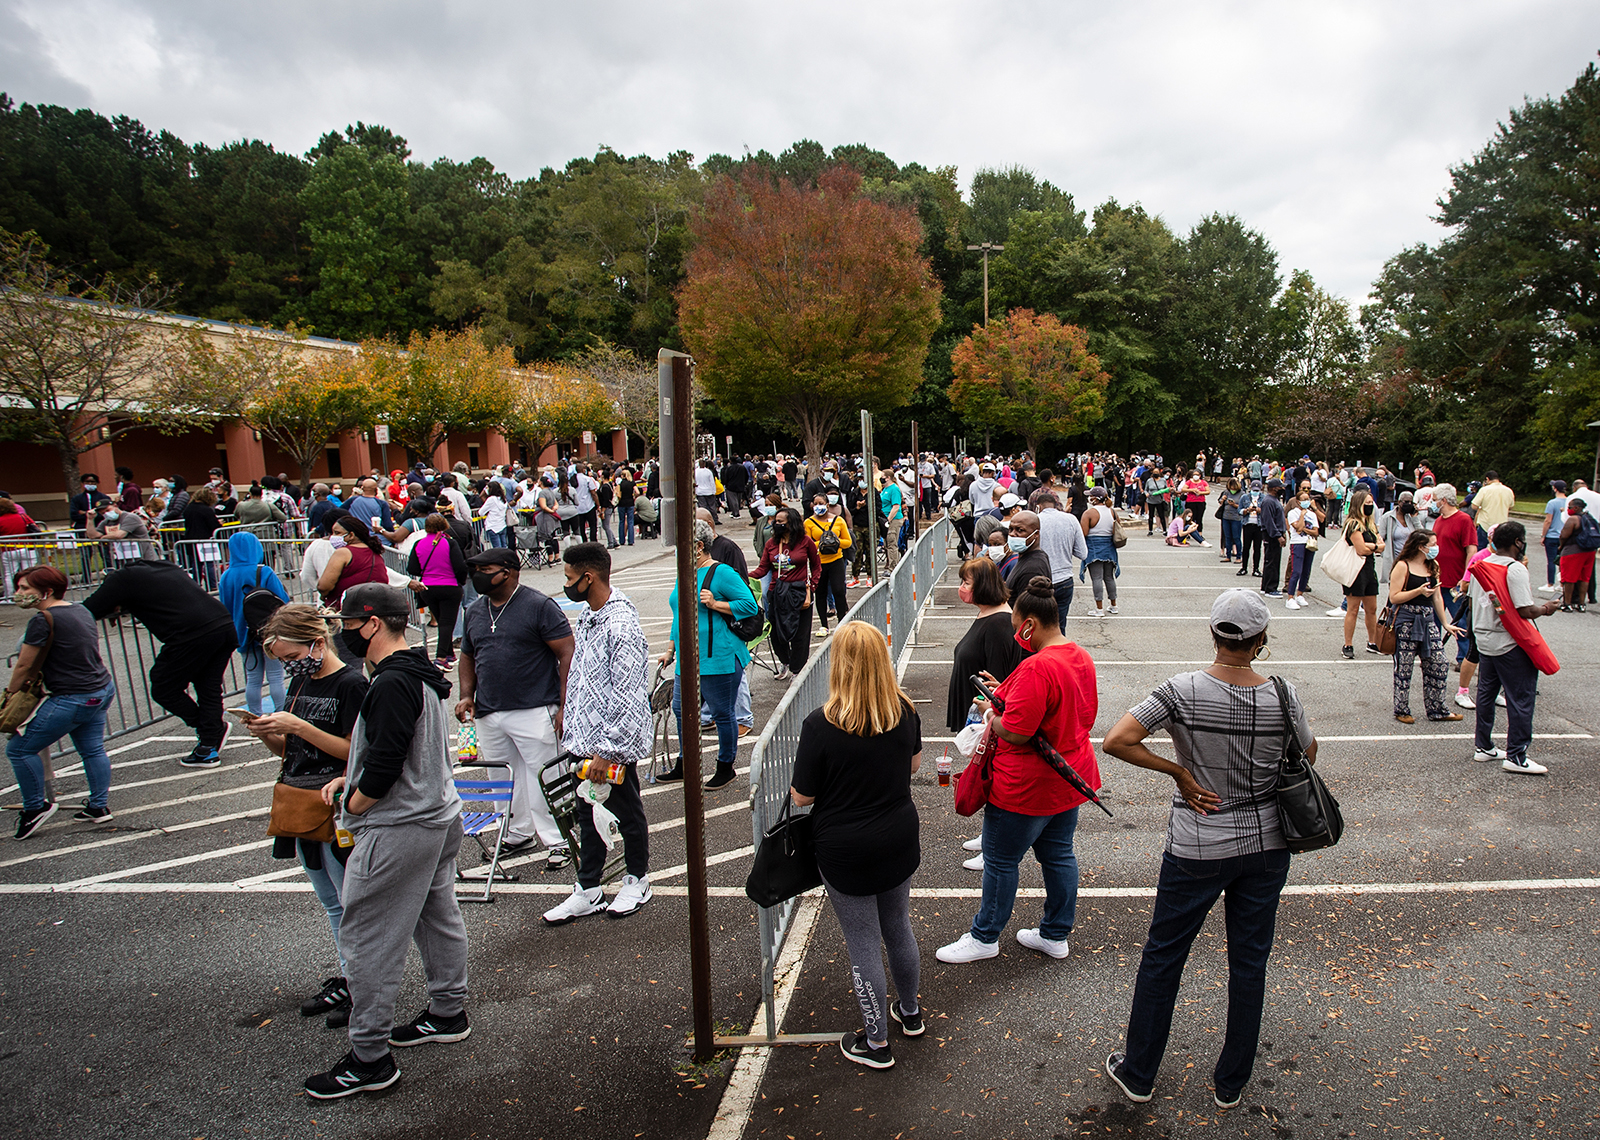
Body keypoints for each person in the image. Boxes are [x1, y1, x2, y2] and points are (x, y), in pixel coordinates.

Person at [1101, 589, 1315, 1110]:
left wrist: (1178, 769)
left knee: (1164, 956)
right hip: (1267, 843)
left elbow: (1116, 741)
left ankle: (1140, 1071)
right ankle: (1231, 1083)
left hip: (1197, 843)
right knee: (1249, 961)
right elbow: (1306, 753)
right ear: (1260, 640)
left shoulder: (1181, 690)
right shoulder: (1282, 695)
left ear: (1214, 633)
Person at [302, 585, 470, 1100]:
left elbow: (386, 763)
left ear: (372, 624)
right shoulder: (420, 672)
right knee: (436, 914)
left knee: (368, 938)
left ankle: (370, 1058)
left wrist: (354, 803)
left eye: (347, 624)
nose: (341, 633)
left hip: (401, 826)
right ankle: (448, 1010)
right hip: (437, 815)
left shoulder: (392, 682)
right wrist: (353, 782)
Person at [936, 577, 1098, 965]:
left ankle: (984, 935)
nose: (1015, 635)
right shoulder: (1079, 655)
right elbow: (1077, 714)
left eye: (1016, 628)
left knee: (1001, 860)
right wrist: (1005, 690)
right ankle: (1055, 933)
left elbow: (1018, 732)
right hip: (1069, 776)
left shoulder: (1037, 667)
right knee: (1059, 855)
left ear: (1028, 624)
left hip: (1027, 786)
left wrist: (993, 715)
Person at [791, 621, 924, 1069]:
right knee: (898, 925)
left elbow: (803, 796)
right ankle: (910, 1014)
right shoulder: (904, 710)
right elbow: (914, 765)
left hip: (845, 845)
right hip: (898, 836)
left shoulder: (820, 725)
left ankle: (876, 1043)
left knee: (863, 939)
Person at [249, 604, 370, 1028]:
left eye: (292, 657)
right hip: (299, 801)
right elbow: (290, 753)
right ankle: (350, 976)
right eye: (282, 661)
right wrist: (272, 735)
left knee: (350, 902)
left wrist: (299, 728)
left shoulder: (351, 684)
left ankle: (363, 986)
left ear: (317, 643)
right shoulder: (301, 684)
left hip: (335, 807)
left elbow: (357, 752)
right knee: (331, 902)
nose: (289, 666)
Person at [542, 543, 655, 924]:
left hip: (609, 746)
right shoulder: (591, 617)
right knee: (586, 810)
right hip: (584, 739)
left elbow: (627, 693)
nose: (566, 585)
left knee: (625, 810)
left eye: (570, 578)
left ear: (589, 578)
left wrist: (608, 750)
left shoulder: (620, 625)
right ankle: (588, 887)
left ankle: (637, 878)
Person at [455, 548, 574, 866]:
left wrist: (564, 703)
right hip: (489, 710)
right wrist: (467, 694)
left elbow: (567, 653)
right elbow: (467, 655)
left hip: (535, 707)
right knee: (502, 778)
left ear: (508, 571)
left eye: (485, 568)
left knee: (544, 775)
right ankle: (516, 834)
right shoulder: (475, 611)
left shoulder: (538, 605)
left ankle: (559, 839)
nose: (478, 574)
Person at [83, 557, 236, 768]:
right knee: (208, 685)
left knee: (164, 686)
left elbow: (87, 610)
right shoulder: (164, 566)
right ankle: (208, 745)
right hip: (222, 624)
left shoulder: (120, 579)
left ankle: (209, 730)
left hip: (191, 634)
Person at [5, 566, 116, 837]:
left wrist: (9, 697)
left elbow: (23, 666)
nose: (18, 594)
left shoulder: (42, 620)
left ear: (47, 591)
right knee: (91, 749)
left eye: (25, 589)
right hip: (100, 689)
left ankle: (35, 808)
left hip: (74, 696)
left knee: (19, 750)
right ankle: (98, 806)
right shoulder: (80, 610)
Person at [660, 520, 759, 789]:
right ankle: (685, 763)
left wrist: (716, 603)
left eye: (683, 546)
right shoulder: (685, 573)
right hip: (688, 660)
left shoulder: (721, 572)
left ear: (699, 546)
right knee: (681, 710)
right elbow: (678, 613)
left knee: (722, 713)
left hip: (720, 658)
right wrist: (670, 649)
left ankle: (725, 766)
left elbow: (749, 605)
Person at [1470, 522, 1561, 775]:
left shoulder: (1481, 566)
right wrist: (1546, 609)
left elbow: (1473, 603)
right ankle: (1517, 754)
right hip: (1510, 642)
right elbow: (1524, 610)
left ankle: (1484, 746)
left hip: (1485, 639)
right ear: (1518, 542)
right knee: (1521, 697)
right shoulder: (1514, 569)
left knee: (1486, 695)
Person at [1386, 530, 1467, 724]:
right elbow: (1394, 597)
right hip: (1406, 620)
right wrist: (1418, 591)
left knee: (1438, 663)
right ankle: (1402, 709)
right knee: (1404, 667)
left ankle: (1437, 708)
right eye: (1432, 544)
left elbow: (1437, 596)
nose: (1435, 548)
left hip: (1428, 619)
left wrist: (1446, 623)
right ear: (1420, 546)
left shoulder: (1433, 565)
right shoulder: (1403, 566)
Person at [218, 530, 291, 715]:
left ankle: (254, 716)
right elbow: (281, 599)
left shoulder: (226, 576)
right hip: (269, 630)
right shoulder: (263, 571)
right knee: (275, 676)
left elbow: (224, 605)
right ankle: (281, 713)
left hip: (242, 632)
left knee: (252, 678)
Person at [754, 507, 820, 680]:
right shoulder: (771, 544)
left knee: (800, 634)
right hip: (777, 594)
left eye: (782, 521)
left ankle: (798, 670)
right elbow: (762, 569)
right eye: (776, 521)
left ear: (792, 523)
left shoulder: (805, 542)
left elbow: (816, 566)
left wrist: (812, 586)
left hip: (798, 593)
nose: (777, 524)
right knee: (776, 633)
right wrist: (742, 576)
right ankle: (786, 662)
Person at [405, 515, 469, 669]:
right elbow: (459, 566)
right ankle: (440, 657)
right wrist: (461, 581)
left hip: (427, 587)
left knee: (442, 621)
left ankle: (449, 654)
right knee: (448, 623)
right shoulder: (449, 543)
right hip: (449, 585)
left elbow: (412, 568)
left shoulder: (419, 543)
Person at [1339, 489, 1383, 659]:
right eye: (1367, 504)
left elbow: (1380, 544)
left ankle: (1372, 641)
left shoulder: (1370, 524)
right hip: (1355, 570)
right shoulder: (1353, 524)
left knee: (1372, 608)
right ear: (1359, 505)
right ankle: (1348, 644)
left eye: (1372, 504)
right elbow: (1361, 549)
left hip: (1369, 569)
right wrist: (1374, 547)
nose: (1370, 507)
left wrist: (1372, 547)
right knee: (1353, 609)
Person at [1035, 492, 1086, 626]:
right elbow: (1082, 553)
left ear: (1039, 506)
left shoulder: (1034, 520)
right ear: (1056, 505)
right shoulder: (1071, 520)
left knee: (1040, 624)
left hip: (1040, 580)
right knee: (1059, 625)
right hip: (1064, 579)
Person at [805, 493, 852, 637]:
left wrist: (835, 542)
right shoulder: (809, 522)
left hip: (836, 560)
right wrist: (822, 544)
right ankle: (824, 625)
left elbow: (847, 541)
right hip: (819, 562)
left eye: (821, 503)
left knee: (839, 591)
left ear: (827, 505)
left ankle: (841, 621)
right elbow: (807, 544)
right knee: (820, 593)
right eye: (815, 503)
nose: (818, 506)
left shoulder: (838, 521)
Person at [1080, 487, 1120, 616]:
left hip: (1094, 547)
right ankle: (1113, 605)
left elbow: (1083, 533)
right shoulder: (1112, 512)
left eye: (1090, 496)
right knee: (1109, 577)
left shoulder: (1089, 513)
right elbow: (1117, 527)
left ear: (1095, 498)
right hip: (1109, 547)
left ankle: (1099, 609)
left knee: (1096, 578)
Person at [1004, 510, 1052, 605]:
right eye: (1011, 529)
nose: (1012, 534)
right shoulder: (1029, 556)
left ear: (1036, 534)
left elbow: (1029, 610)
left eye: (1020, 530)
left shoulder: (1032, 569)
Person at [1283, 488, 1321, 610]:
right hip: (1298, 543)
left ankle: (1300, 594)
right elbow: (1298, 528)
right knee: (1296, 571)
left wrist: (1305, 529)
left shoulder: (1312, 514)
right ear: (1298, 501)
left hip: (1309, 543)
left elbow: (1315, 531)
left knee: (1306, 570)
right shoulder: (1293, 513)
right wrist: (1302, 516)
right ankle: (1290, 597)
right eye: (1303, 499)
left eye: (1308, 499)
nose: (1306, 501)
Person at [1558, 499, 1596, 612]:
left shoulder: (1573, 519)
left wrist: (1560, 547)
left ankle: (1567, 603)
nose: (1568, 509)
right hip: (1589, 551)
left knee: (1569, 578)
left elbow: (1564, 535)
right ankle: (1581, 604)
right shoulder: (1589, 518)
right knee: (1584, 578)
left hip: (1573, 551)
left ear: (1576, 508)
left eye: (1570, 507)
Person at [1258, 480, 1287, 597]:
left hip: (1276, 533)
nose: (1283, 489)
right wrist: (1278, 535)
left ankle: (1266, 586)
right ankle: (1270, 588)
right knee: (1272, 562)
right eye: (1280, 487)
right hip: (1272, 535)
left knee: (1272, 560)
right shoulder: (1269, 501)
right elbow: (1269, 521)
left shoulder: (1274, 500)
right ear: (1274, 488)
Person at [1539, 480, 1568, 594]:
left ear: (1555, 489)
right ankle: (1561, 583)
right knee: (1562, 560)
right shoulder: (1568, 501)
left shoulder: (1552, 503)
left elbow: (1548, 520)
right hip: (1564, 534)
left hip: (1552, 535)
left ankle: (1550, 583)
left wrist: (1543, 535)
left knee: (1551, 560)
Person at [1218, 478, 1243, 563]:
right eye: (1231, 487)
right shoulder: (1226, 492)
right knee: (1227, 537)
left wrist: (1234, 505)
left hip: (1236, 518)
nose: (1232, 489)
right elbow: (1220, 502)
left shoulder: (1242, 494)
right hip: (1226, 517)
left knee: (1236, 537)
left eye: (1234, 487)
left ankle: (1239, 556)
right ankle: (1228, 555)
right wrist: (1223, 500)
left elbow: (1244, 506)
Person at [480, 482, 510, 548]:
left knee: (497, 548)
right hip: (502, 524)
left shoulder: (491, 499)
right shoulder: (503, 499)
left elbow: (481, 512)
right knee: (504, 546)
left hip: (492, 526)